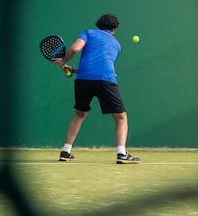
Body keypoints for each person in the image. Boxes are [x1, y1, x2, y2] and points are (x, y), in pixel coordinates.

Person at [51, 13, 140, 164]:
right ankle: (121, 154)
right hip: (106, 81)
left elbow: (75, 48)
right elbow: (101, 66)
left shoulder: (88, 33)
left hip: (83, 81)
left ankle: (66, 151)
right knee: (121, 118)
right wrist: (68, 65)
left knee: (79, 114)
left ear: (98, 25)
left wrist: (65, 62)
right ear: (114, 29)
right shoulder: (117, 45)